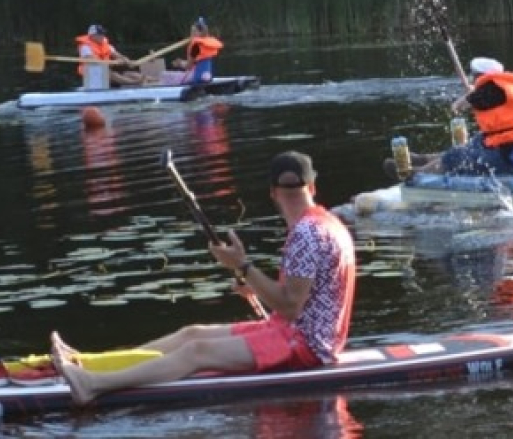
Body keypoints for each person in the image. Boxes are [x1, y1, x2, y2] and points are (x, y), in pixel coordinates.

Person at [49, 151, 356, 405]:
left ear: (273, 193)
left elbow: (290, 307)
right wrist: (254, 286)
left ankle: (93, 384)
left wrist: (245, 266)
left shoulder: (306, 233)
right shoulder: (327, 224)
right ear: (313, 188)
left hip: (306, 347)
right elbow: (307, 296)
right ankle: (90, 362)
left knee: (197, 352)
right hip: (295, 332)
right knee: (191, 333)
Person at [392, 57, 513, 179]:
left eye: (474, 76)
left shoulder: (489, 90)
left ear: (481, 76)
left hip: (509, 157)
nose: (472, 79)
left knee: (456, 156)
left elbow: (457, 107)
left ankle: (415, 174)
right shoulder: (512, 86)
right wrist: (474, 93)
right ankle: (424, 159)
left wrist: (471, 94)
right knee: (473, 143)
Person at [76, 24, 142, 89]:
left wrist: (125, 60)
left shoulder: (106, 45)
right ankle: (134, 82)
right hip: (91, 73)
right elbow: (94, 62)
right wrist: (113, 62)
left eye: (102, 34)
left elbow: (117, 55)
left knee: (128, 74)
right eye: (99, 34)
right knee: (109, 73)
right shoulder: (85, 47)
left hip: (105, 70)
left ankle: (148, 79)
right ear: (92, 35)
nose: (102, 36)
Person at [167, 17, 223, 85]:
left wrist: (180, 63)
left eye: (193, 32)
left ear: (200, 32)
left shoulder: (196, 47)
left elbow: (189, 66)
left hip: (197, 77)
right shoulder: (205, 45)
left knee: (165, 75)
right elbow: (195, 62)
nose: (191, 34)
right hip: (207, 76)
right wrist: (182, 62)